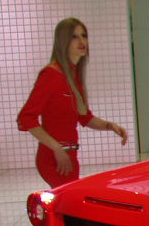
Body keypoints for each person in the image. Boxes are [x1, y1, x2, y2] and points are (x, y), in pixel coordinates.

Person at [17, 18, 127, 188]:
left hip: (69, 155)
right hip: (54, 158)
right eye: (74, 37)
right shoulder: (51, 75)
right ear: (63, 41)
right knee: (69, 205)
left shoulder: (74, 76)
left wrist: (109, 126)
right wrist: (56, 148)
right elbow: (26, 118)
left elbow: (84, 118)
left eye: (84, 35)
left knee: (69, 207)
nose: (82, 41)